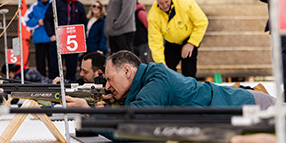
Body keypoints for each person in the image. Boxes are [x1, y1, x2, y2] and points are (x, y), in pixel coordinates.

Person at [65, 50, 274, 110]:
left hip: (251, 104)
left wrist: (90, 112)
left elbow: (136, 124)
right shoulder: (148, 81)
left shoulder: (157, 80)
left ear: (127, 71)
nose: (107, 86)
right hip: (241, 102)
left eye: (110, 79)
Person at [147, 0, 208, 78]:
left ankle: (190, 89)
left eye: (166, 2)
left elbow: (202, 22)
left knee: (188, 67)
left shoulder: (185, 1)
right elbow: (155, 42)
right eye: (161, 3)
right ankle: (170, 89)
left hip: (189, 38)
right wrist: (161, 64)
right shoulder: (153, 16)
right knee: (166, 69)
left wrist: (191, 43)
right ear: (156, 1)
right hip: (171, 41)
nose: (165, 6)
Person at [44, 0, 88, 82]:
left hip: (73, 43)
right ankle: (53, 90)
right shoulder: (56, 3)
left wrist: (82, 41)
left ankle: (70, 92)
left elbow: (84, 24)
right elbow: (47, 19)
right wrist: (51, 34)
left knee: (72, 69)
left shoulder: (79, 6)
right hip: (57, 41)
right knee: (54, 68)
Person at [25, 0, 52, 76]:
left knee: (52, 62)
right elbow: (26, 21)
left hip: (51, 37)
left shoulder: (53, 5)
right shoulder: (34, 7)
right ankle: (41, 80)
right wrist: (37, 22)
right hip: (39, 38)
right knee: (40, 63)